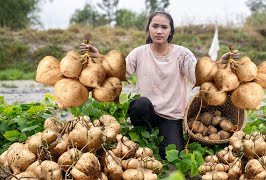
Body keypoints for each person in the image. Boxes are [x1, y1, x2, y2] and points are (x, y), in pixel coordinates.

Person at [80, 11, 239, 159]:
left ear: (171, 31)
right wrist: (97, 56)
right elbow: (118, 73)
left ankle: (158, 137)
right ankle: (144, 133)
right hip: (146, 112)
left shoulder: (182, 55)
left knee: (172, 155)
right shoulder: (139, 53)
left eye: (164, 27)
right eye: (155, 26)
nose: (159, 31)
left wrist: (220, 64)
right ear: (148, 29)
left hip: (172, 117)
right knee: (140, 104)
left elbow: (199, 77)